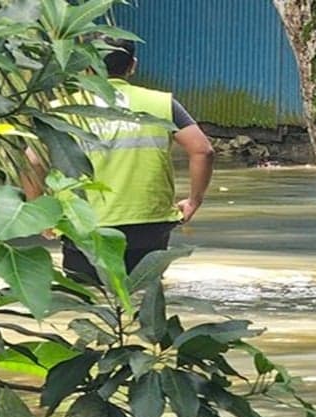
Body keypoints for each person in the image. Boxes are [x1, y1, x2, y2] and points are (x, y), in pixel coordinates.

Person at [59, 37, 215, 280]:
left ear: (87, 67)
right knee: (143, 296)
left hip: (83, 222)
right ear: (133, 65)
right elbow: (202, 150)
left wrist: (44, 215)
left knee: (85, 299)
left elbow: (32, 160)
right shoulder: (161, 103)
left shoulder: (63, 109)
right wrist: (194, 201)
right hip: (149, 223)